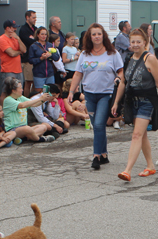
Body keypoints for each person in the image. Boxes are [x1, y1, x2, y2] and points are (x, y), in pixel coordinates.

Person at [111, 29, 158, 182]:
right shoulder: (128, 59)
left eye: (139, 41)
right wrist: (116, 102)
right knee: (142, 134)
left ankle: (127, 170)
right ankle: (150, 165)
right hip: (132, 101)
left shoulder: (150, 59)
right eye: (133, 42)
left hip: (147, 101)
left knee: (136, 135)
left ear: (145, 43)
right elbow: (123, 83)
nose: (135, 44)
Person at [68, 23, 123, 170]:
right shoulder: (85, 54)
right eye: (94, 34)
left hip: (106, 94)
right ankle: (104, 154)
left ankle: (96, 156)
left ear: (103, 35)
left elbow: (121, 71)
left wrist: (118, 78)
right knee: (98, 127)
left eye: (99, 34)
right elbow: (78, 73)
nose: (97, 37)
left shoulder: (112, 53)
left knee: (98, 125)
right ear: (89, 37)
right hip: (89, 95)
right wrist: (71, 91)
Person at [2, 77, 55, 143]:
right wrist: (39, 98)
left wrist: (43, 99)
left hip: (25, 127)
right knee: (27, 129)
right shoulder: (8, 100)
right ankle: (41, 139)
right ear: (13, 90)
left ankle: (23, 139)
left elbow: (34, 104)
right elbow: (22, 105)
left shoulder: (20, 97)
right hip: (13, 129)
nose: (22, 90)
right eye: (20, 88)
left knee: (44, 126)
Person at [28, 26, 60, 92]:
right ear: (37, 35)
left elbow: (57, 57)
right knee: (39, 92)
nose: (44, 36)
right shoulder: (33, 46)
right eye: (42, 34)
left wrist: (51, 55)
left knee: (50, 92)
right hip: (39, 74)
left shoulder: (50, 45)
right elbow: (31, 60)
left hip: (50, 74)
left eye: (45, 34)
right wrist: (41, 58)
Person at [0, 20, 26, 84]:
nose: (15, 29)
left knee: (19, 90)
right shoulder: (2, 39)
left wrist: (18, 38)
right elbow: (12, 53)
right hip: (8, 71)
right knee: (7, 91)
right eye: (13, 27)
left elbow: (24, 50)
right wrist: (19, 52)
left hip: (18, 70)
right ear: (8, 28)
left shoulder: (15, 38)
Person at [19, 10, 37, 97]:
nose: (35, 19)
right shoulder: (23, 29)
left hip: (36, 59)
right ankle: (26, 100)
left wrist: (34, 39)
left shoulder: (35, 29)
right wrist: (34, 39)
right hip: (27, 60)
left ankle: (32, 99)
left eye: (35, 17)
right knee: (28, 81)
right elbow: (30, 42)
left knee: (35, 81)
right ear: (27, 17)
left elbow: (37, 40)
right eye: (33, 17)